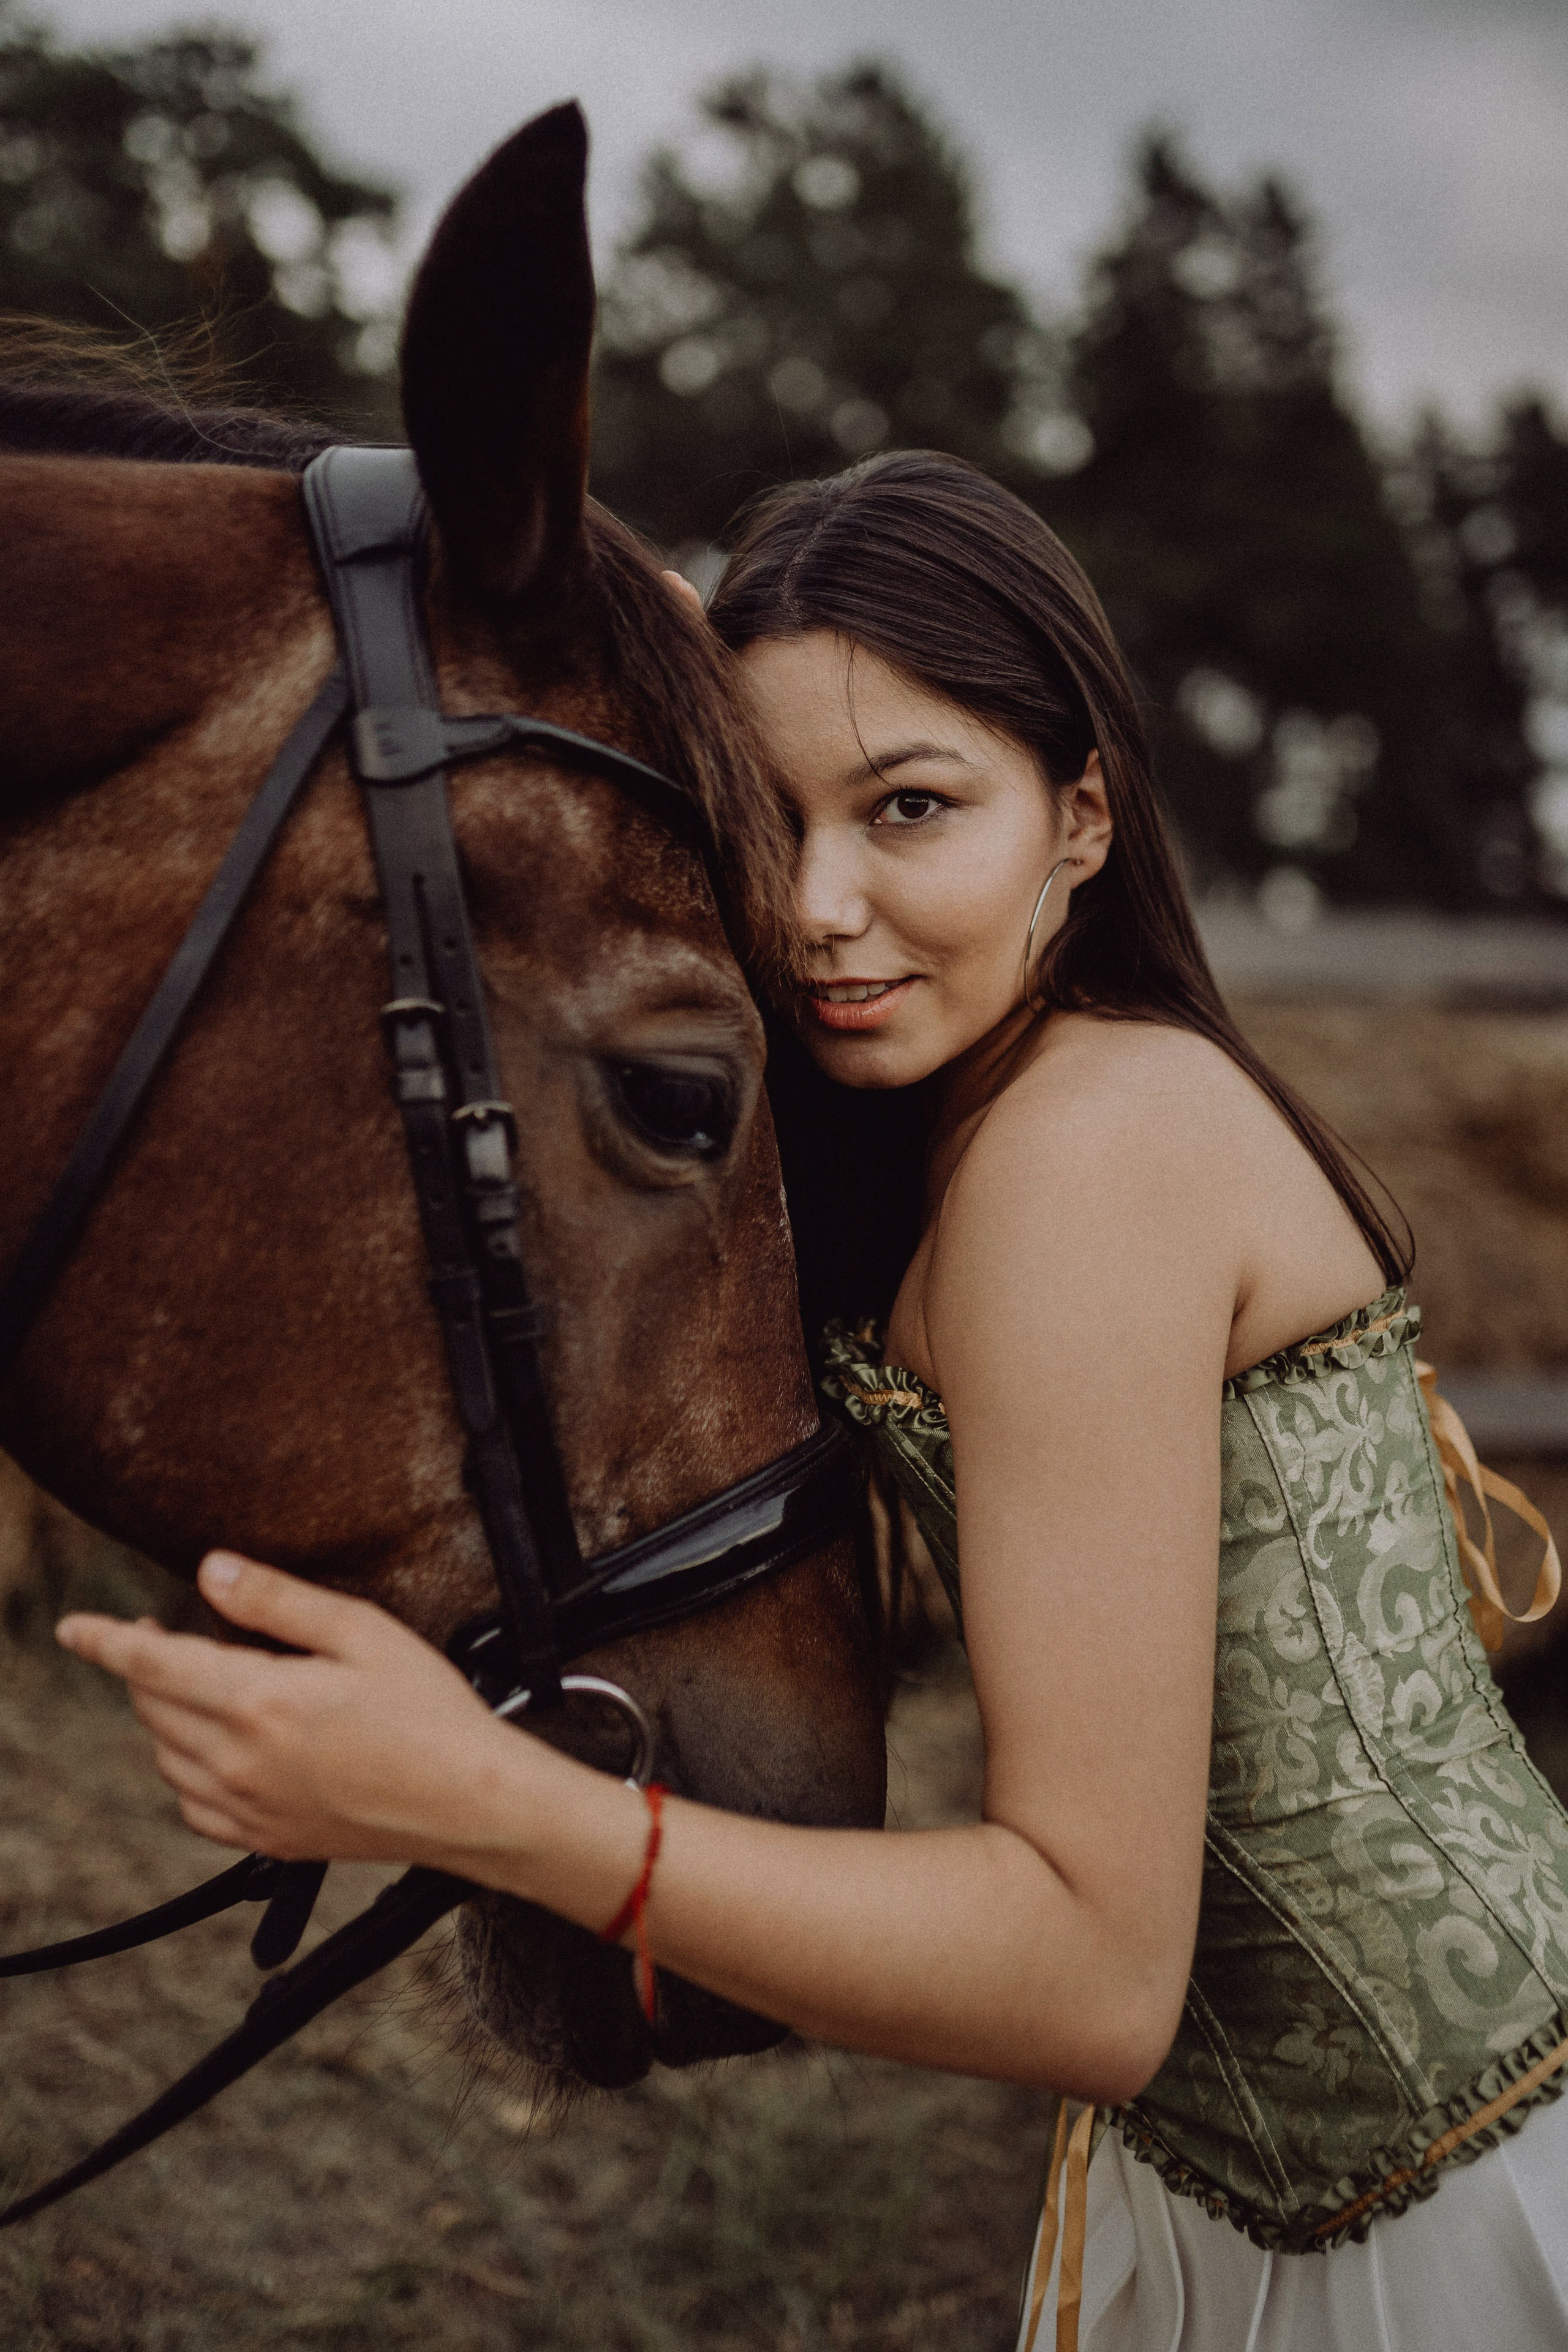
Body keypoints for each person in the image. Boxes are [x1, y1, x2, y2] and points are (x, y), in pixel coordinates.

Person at [61, 451, 1566, 2350]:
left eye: (914, 807)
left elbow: (1097, 1979)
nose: (825, 906)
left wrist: (488, 1803)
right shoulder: (975, 1119)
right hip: (1232, 2193)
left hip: (1463, 2218)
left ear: (1082, 817)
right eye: (767, 821)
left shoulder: (1087, 1163)